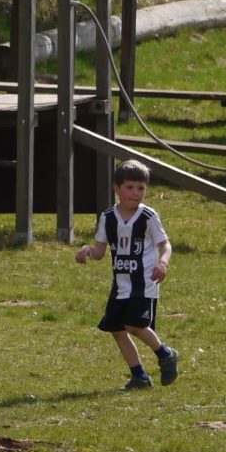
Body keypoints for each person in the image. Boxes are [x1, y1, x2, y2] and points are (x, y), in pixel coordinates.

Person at [75, 159, 179, 390]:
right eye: (130, 187)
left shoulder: (148, 217)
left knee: (135, 325)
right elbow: (100, 252)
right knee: (117, 329)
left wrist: (162, 263)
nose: (136, 193)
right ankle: (139, 376)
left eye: (141, 188)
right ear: (116, 188)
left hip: (144, 283)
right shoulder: (108, 217)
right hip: (121, 285)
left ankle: (166, 354)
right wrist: (87, 250)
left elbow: (165, 244)